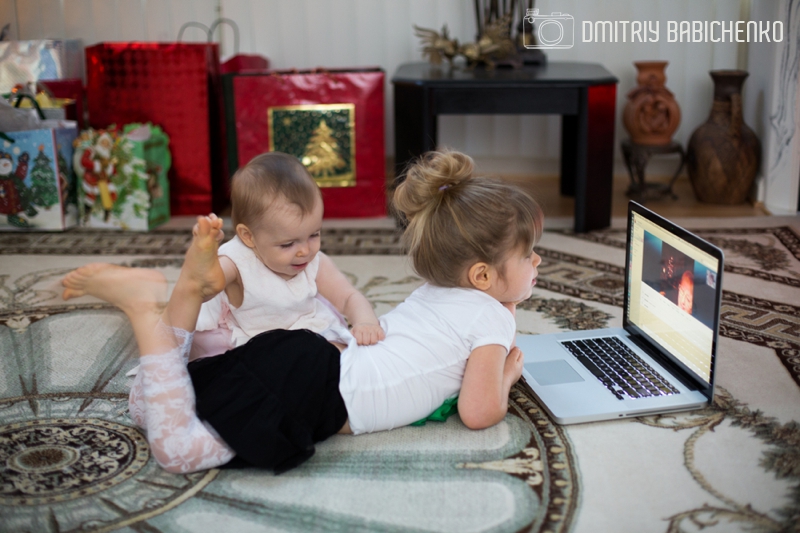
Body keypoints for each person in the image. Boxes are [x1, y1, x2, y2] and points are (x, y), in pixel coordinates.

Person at [63, 150, 544, 475]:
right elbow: (479, 412)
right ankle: (144, 316)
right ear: (480, 276)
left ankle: (179, 301)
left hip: (308, 357)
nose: (538, 261)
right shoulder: (494, 319)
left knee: (149, 405)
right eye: (530, 255)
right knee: (178, 451)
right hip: (318, 386)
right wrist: (505, 374)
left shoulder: (436, 286)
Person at [62, 152, 385, 365]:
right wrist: (204, 257)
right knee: (175, 352)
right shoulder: (238, 261)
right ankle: (141, 296)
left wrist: (365, 320)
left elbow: (348, 297)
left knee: (344, 358)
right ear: (248, 237)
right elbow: (210, 281)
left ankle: (148, 296)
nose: (304, 250)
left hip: (300, 326)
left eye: (314, 234)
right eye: (288, 243)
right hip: (242, 338)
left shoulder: (314, 261)